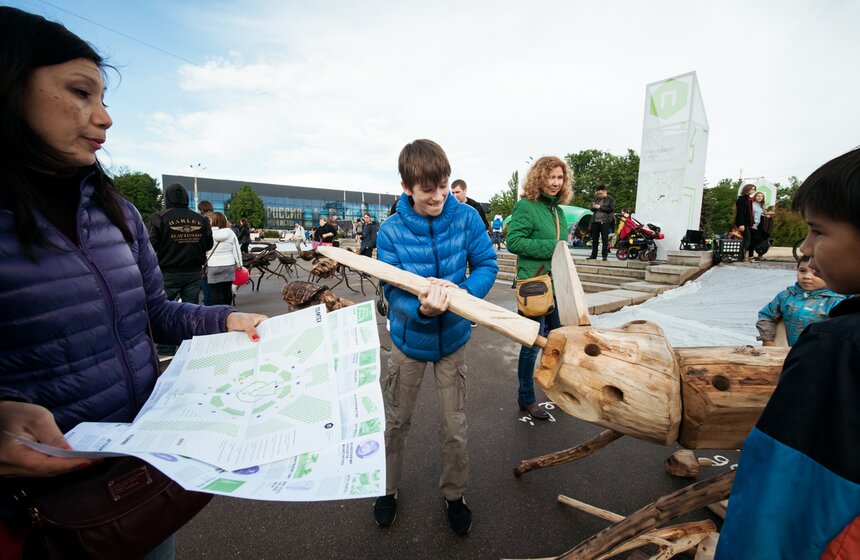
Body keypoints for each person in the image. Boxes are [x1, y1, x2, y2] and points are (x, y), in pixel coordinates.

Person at [0, 8, 266, 558]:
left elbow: (157, 312)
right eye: (80, 92)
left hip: (140, 470)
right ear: (9, 86)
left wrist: (226, 319)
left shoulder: (114, 210)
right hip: (42, 511)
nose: (104, 119)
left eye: (104, 99)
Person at [716, 148, 860, 559]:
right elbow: (767, 317)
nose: (804, 248)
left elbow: (779, 495)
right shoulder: (792, 301)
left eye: (818, 231)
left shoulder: (836, 348)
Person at [372, 139, 497, 536]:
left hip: (453, 342)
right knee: (395, 422)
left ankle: (455, 495)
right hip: (408, 343)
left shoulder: (467, 218)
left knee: (454, 427)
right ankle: (387, 489)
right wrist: (420, 310)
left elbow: (486, 264)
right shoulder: (390, 231)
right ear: (408, 187)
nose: (440, 196)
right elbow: (390, 290)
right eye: (429, 189)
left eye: (444, 185)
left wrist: (464, 295)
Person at [506, 156, 571, 420]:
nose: (555, 182)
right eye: (551, 177)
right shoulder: (526, 206)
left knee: (557, 341)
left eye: (559, 177)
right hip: (534, 285)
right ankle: (526, 396)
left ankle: (553, 388)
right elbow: (514, 242)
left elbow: (562, 247)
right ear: (539, 178)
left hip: (557, 286)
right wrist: (553, 248)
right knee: (531, 344)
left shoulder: (559, 211)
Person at [756, 256, 846, 347]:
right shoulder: (786, 296)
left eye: (816, 272)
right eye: (802, 271)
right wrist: (767, 340)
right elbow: (767, 316)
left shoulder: (836, 302)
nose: (806, 276)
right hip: (788, 353)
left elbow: (842, 334)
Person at [148, 183, 213, 306]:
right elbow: (209, 244)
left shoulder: (159, 217)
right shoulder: (201, 219)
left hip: (168, 272)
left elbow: (148, 246)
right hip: (194, 272)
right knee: (191, 309)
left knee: (163, 309)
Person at [206, 212, 244, 306]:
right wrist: (239, 265)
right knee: (227, 290)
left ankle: (216, 312)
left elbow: (204, 249)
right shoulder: (230, 233)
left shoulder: (208, 233)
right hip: (228, 264)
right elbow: (236, 249)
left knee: (215, 291)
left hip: (213, 265)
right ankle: (227, 311)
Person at [587, 186, 614, 261]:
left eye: (601, 193)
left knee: (604, 239)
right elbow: (592, 210)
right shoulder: (597, 199)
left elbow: (611, 209)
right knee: (594, 239)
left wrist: (600, 207)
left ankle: (604, 256)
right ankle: (593, 255)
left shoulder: (610, 199)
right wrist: (593, 207)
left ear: (605, 191)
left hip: (605, 222)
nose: (599, 195)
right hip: (595, 221)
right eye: (598, 194)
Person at [197, 200, 215, 305]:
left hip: (208, 255)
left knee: (206, 281)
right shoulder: (221, 217)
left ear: (202, 209)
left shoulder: (202, 219)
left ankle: (208, 306)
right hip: (222, 257)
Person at [733, 183, 756, 262]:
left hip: (747, 223)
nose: (753, 191)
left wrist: (751, 223)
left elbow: (749, 213)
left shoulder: (748, 199)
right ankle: (741, 256)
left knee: (747, 240)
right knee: (746, 240)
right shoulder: (742, 199)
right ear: (747, 189)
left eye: (754, 189)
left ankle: (742, 256)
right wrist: (741, 224)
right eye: (752, 189)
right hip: (743, 223)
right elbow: (740, 213)